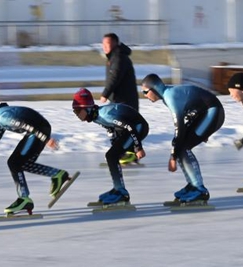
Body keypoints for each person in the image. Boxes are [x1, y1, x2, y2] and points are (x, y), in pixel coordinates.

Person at [0, 89, 72, 214]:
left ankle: (24, 199)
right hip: (38, 130)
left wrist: (46, 139)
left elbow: (27, 125)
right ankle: (57, 174)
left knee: (14, 163)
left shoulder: (3, 116)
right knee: (22, 164)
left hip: (38, 130)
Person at [141, 73, 224, 204]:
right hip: (202, 113)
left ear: (154, 89)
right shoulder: (167, 94)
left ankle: (199, 189)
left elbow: (179, 128)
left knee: (182, 147)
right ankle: (192, 185)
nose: (144, 95)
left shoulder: (170, 97)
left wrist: (173, 156)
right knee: (179, 145)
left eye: (145, 92)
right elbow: (183, 125)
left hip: (212, 111)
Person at [72, 88, 149, 205]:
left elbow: (129, 127)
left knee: (111, 156)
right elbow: (110, 127)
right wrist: (114, 143)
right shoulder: (96, 116)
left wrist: (138, 148)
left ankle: (121, 193)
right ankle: (118, 189)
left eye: (78, 111)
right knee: (112, 155)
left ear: (87, 109)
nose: (77, 115)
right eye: (75, 112)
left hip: (138, 127)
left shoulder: (105, 115)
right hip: (130, 127)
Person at [100, 33, 140, 165]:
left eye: (108, 44)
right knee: (119, 125)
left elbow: (115, 77)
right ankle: (129, 152)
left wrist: (105, 93)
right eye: (103, 44)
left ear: (115, 44)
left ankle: (128, 153)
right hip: (120, 99)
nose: (105, 47)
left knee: (121, 126)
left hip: (125, 100)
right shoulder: (114, 57)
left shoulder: (119, 58)